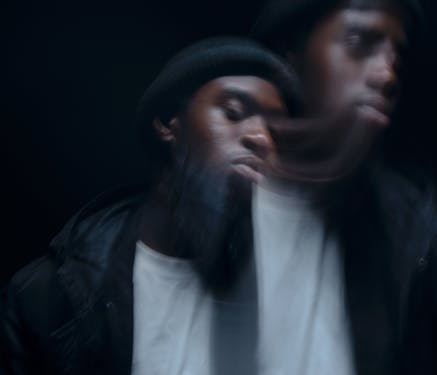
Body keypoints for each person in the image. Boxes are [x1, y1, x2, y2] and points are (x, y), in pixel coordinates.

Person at [0, 37, 302, 375]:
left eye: (277, 133)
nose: (261, 139)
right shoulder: (48, 298)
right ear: (168, 123)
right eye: (233, 113)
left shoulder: (296, 295)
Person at [252, 1, 437, 374]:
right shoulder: (192, 206)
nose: (387, 75)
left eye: (396, 56)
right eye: (359, 42)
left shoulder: (426, 242)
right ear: (290, 56)